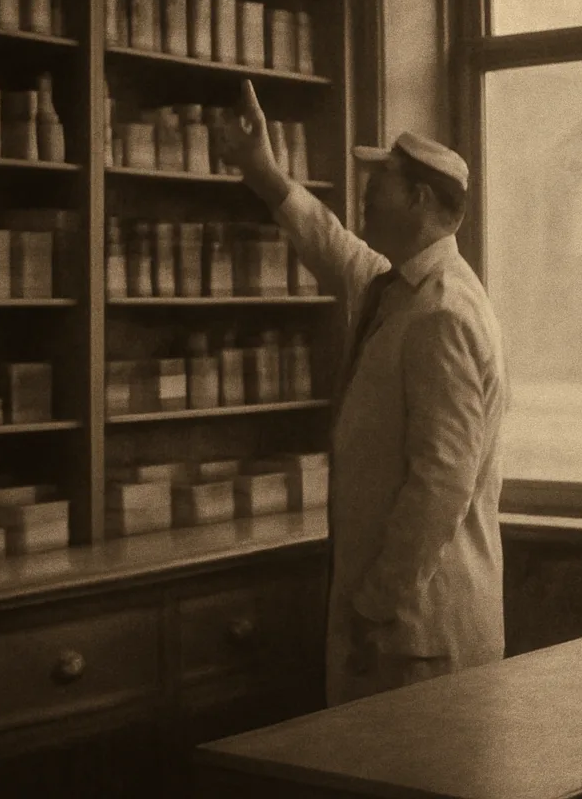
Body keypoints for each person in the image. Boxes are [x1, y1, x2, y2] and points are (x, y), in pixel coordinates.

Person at [220, 79, 509, 706]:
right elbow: (332, 243)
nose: (366, 195)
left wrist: (376, 605)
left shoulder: (443, 314)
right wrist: (263, 172)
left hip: (415, 628)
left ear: (423, 199)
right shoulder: (396, 288)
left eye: (382, 183)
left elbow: (442, 483)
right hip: (395, 622)